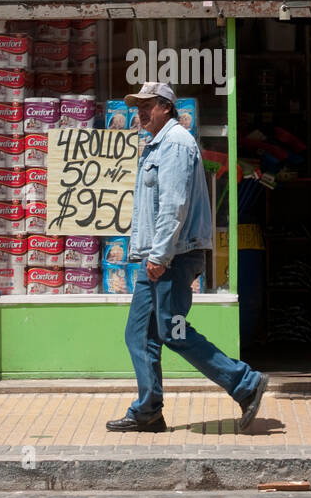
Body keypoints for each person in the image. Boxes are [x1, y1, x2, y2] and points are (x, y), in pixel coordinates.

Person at [106, 82, 269, 433]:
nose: (140, 112)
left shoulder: (176, 144)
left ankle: (245, 382)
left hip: (173, 258)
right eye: (138, 107)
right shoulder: (155, 144)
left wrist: (160, 256)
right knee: (139, 334)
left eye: (147, 105)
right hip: (158, 257)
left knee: (172, 331)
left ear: (166, 107)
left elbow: (173, 205)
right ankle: (148, 410)